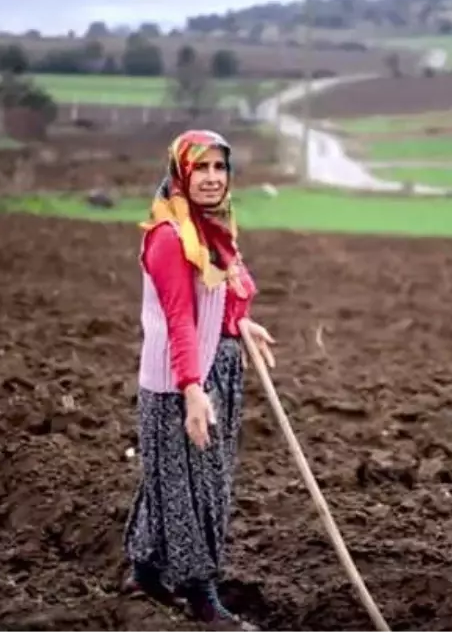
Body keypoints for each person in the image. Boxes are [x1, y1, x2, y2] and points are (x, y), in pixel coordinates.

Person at [123, 129, 275, 630]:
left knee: (175, 480)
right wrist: (192, 391)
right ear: (181, 173)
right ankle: (203, 598)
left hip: (214, 367)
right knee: (194, 490)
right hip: (178, 382)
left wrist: (240, 324)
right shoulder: (170, 238)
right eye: (201, 168)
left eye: (220, 168)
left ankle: (146, 571)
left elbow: (216, 302)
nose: (212, 178)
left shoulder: (213, 231)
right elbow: (179, 320)